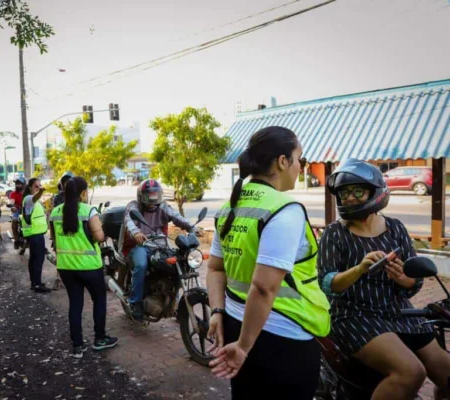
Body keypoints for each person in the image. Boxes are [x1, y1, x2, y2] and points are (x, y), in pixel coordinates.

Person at [206, 127, 330, 400]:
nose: (301, 167)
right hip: (281, 337)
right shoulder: (285, 209)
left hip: (237, 324)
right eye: (300, 159)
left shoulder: (230, 206)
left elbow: (215, 268)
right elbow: (264, 289)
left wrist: (217, 312)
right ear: (282, 161)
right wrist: (243, 348)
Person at [318, 158, 450, 400]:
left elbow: (414, 283)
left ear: (375, 192)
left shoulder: (396, 228)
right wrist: (359, 269)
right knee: (410, 372)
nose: (349, 198)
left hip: (400, 312)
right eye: (344, 193)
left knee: (446, 372)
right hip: (354, 316)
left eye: (358, 191)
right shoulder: (335, 233)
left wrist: (402, 278)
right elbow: (327, 283)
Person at [50, 176, 118, 358]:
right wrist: (101, 230)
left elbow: (54, 239)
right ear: (83, 193)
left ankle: (78, 346)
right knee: (99, 301)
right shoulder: (88, 211)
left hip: (66, 268)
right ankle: (100, 339)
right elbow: (99, 237)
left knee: (75, 304)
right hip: (89, 267)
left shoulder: (55, 212)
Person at [122, 179, 203, 321]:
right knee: (141, 265)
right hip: (140, 245)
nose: (152, 199)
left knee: (179, 263)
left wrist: (192, 227)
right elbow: (129, 221)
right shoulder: (133, 206)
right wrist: (136, 233)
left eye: (155, 195)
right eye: (149, 195)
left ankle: (174, 303)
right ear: (141, 196)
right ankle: (135, 303)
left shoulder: (163, 207)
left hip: (160, 245)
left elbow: (177, 217)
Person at [21, 178, 52, 293]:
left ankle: (34, 282)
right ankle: (37, 284)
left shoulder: (31, 200)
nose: (38, 188)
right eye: (36, 186)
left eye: (40, 186)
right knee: (38, 259)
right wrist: (41, 192)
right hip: (35, 233)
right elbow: (35, 197)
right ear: (29, 187)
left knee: (34, 259)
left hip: (34, 233)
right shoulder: (30, 198)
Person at [9, 176, 26, 250]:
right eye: (16, 183)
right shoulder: (13, 193)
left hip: (27, 211)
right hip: (17, 211)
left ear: (24, 184)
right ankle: (16, 240)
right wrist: (12, 207)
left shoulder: (27, 192)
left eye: (19, 183)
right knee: (14, 221)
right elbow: (12, 202)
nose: (17, 185)